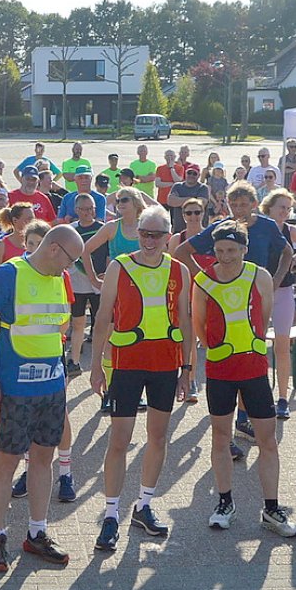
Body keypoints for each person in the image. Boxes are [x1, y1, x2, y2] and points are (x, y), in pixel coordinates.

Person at [0, 226, 83, 572]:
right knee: (5, 463)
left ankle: (37, 532)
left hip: (51, 386)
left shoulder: (59, 278)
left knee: (42, 460)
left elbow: (58, 330)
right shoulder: (9, 275)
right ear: (53, 248)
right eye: (69, 260)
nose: (69, 268)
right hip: (14, 387)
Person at [89, 206, 193, 551]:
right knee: (119, 440)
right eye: (145, 234)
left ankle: (144, 505)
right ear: (137, 235)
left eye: (157, 235)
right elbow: (103, 317)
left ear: (168, 236)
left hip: (165, 365)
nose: (150, 240)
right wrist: (94, 366)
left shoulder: (179, 270)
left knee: (158, 437)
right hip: (126, 364)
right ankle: (110, 513)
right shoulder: (119, 266)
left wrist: (187, 369)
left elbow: (185, 321)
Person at [189, 221, 296, 537]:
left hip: (253, 369)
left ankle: (272, 509)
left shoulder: (259, 276)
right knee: (221, 438)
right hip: (220, 370)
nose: (225, 257)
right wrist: (219, 349)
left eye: (232, 250)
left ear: (244, 249)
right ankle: (224, 503)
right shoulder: (203, 280)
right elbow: (199, 324)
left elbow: (263, 317)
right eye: (220, 251)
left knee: (267, 439)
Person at [261, 188, 296, 419]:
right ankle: (260, 395)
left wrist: (293, 259)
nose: (285, 211)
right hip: (259, 291)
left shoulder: (289, 230)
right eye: (281, 207)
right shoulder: (259, 227)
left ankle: (282, 398)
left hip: (283, 290)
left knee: (282, 345)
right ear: (269, 208)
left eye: (288, 207)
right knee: (257, 345)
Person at [68, 194, 107, 374]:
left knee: (101, 325)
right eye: (84, 209)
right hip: (77, 284)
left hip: (99, 285)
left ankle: (101, 364)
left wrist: (106, 272)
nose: (88, 212)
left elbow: (109, 253)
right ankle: (74, 361)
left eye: (91, 208)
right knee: (77, 324)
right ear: (77, 210)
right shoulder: (70, 230)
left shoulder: (103, 229)